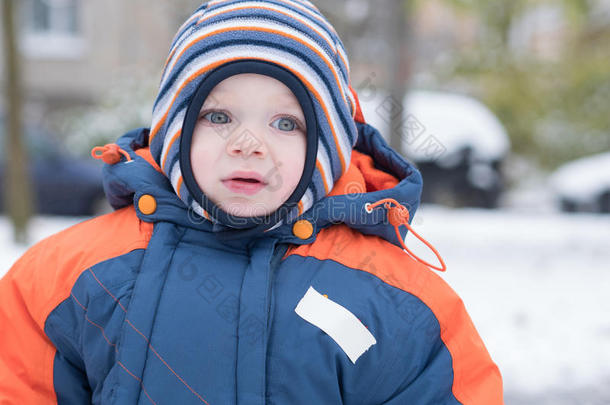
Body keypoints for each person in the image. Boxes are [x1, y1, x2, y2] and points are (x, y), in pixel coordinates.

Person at [0, 0, 504, 403]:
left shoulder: (395, 300)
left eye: (286, 123)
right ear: (174, 132)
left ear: (326, 149)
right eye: (218, 117)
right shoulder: (67, 277)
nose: (248, 143)